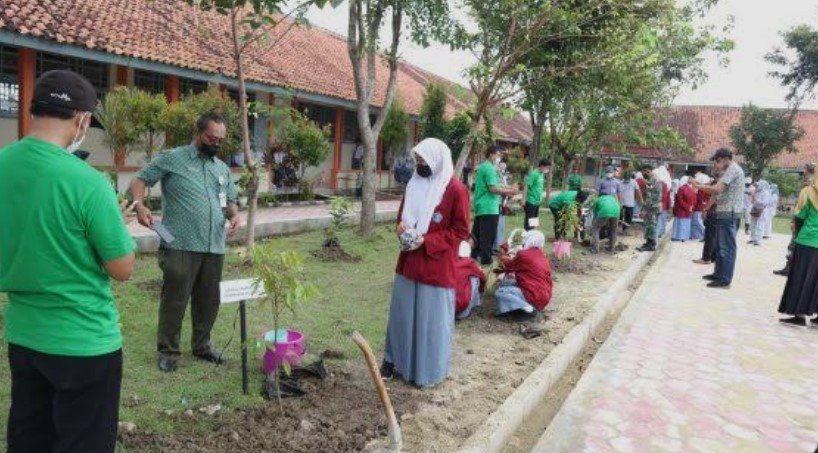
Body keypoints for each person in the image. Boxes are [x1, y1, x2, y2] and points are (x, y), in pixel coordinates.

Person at [0, 70, 136, 452]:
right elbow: (122, 268)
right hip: (84, 341)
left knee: (30, 437)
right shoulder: (87, 181)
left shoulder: (3, 164)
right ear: (82, 119)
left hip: (25, 334)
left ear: (33, 109)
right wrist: (117, 229)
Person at [132, 112, 241, 373]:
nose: (216, 143)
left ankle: (202, 346)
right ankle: (168, 351)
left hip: (214, 245)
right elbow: (140, 180)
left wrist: (235, 215)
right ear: (198, 132)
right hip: (179, 243)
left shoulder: (221, 168)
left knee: (208, 300)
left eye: (220, 140)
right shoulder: (173, 158)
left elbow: (228, 198)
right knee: (175, 299)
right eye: (211, 137)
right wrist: (139, 205)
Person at [381, 138, 470, 387]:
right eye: (417, 160)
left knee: (430, 320)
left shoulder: (455, 190)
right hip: (409, 262)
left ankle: (426, 371)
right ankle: (393, 361)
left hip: (436, 266)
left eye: (424, 161)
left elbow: (460, 230)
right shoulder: (414, 184)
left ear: (437, 161)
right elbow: (402, 218)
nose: (419, 165)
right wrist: (401, 228)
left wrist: (427, 241)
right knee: (402, 315)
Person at [693, 148, 746, 289]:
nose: (716, 164)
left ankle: (724, 279)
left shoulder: (733, 169)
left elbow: (716, 190)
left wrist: (698, 186)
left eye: (717, 161)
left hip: (730, 212)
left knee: (727, 247)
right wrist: (707, 207)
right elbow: (716, 194)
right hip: (724, 212)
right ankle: (718, 274)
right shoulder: (728, 171)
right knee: (720, 246)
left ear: (725, 158)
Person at [777, 175, 818, 328]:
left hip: (808, 241)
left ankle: (799, 315)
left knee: (801, 277)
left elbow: (800, 216)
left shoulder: (808, 192)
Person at [471, 146, 517, 265]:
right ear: (491, 154)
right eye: (498, 155)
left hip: (482, 206)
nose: (499, 157)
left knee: (476, 234)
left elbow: (497, 185)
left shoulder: (485, 167)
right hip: (489, 207)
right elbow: (493, 188)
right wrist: (509, 191)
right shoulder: (489, 168)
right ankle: (486, 260)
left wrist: (509, 188)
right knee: (487, 236)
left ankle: (473, 256)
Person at [494, 230, 553, 316]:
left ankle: (528, 309)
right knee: (505, 284)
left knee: (500, 292)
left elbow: (508, 266)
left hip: (533, 294)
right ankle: (525, 306)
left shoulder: (524, 254)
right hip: (544, 295)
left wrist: (503, 258)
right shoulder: (543, 255)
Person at [775, 163, 815, 276]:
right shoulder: (808, 183)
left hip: (804, 221)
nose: (803, 172)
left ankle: (790, 267)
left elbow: (802, 206)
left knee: (794, 243)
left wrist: (794, 220)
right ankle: (790, 266)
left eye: (805, 170)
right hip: (803, 218)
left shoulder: (810, 185)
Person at [454, 238, 486, 320]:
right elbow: (483, 278)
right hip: (460, 309)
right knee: (475, 278)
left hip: (443, 308)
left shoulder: (448, 260)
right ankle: (472, 306)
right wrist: (481, 291)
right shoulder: (470, 263)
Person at [638, 165, 663, 252]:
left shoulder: (653, 180)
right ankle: (648, 242)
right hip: (653, 207)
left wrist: (643, 210)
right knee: (649, 225)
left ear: (648, 170)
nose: (643, 174)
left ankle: (651, 244)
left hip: (652, 208)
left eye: (644, 172)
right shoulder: (654, 179)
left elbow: (649, 197)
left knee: (651, 226)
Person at [523, 159, 549, 231]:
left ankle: (533, 236)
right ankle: (527, 236)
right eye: (546, 167)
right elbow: (526, 186)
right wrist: (523, 199)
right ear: (542, 166)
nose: (547, 169)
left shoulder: (541, 174)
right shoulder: (534, 174)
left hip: (537, 202)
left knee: (534, 221)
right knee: (529, 222)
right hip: (531, 201)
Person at [671, 176, 696, 242]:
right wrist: (689, 207)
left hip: (683, 209)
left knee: (681, 224)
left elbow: (680, 200)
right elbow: (681, 199)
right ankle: (682, 237)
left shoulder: (683, 188)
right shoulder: (686, 189)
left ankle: (679, 236)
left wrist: (688, 207)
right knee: (684, 224)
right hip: (685, 209)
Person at [749, 180, 771, 246]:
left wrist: (755, 199)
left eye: (759, 185)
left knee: (760, 225)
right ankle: (753, 239)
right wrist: (753, 198)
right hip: (755, 209)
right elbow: (752, 201)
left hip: (762, 211)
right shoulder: (757, 192)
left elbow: (764, 203)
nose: (757, 186)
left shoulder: (766, 193)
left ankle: (758, 241)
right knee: (753, 224)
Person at [690, 175, 709, 241]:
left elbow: (701, 199)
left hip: (699, 208)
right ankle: (696, 235)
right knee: (695, 222)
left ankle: (706, 235)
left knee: (698, 222)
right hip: (698, 207)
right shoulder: (702, 189)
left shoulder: (702, 190)